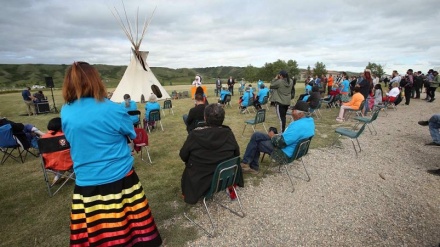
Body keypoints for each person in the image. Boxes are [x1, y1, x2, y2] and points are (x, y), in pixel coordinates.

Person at [60, 61, 162, 246]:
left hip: (86, 180)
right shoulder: (113, 109)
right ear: (96, 81)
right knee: (128, 219)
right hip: (119, 175)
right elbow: (131, 134)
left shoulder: (66, 111)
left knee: (97, 223)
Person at [180, 103, 242, 204]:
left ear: (205, 118)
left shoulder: (195, 135)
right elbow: (237, 153)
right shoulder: (228, 133)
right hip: (223, 178)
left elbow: (183, 155)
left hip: (200, 180)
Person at [240, 101, 315, 174]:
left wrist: (272, 136)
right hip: (294, 150)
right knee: (256, 135)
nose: (292, 113)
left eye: (293, 110)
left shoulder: (298, 125)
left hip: (284, 154)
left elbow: (280, 143)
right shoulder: (310, 121)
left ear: (300, 114)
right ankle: (246, 163)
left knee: (257, 143)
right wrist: (276, 135)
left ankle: (252, 167)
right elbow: (288, 137)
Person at [40, 117, 73, 186]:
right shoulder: (65, 136)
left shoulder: (43, 138)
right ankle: (75, 173)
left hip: (50, 164)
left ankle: (57, 177)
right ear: (61, 126)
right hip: (67, 163)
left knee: (59, 158)